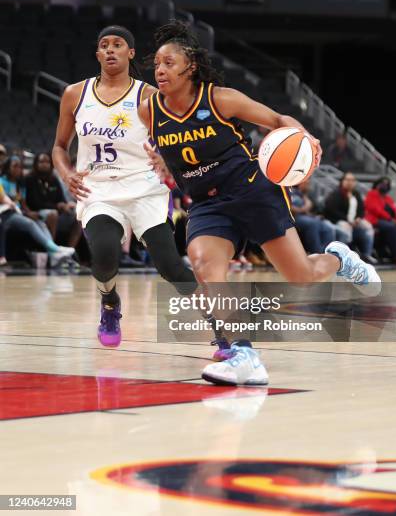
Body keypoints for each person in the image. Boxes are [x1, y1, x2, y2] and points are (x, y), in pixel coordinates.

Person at [140, 20, 381, 386]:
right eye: (157, 63)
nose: (160, 70)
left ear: (190, 67)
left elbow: (277, 119)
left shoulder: (220, 98)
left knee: (300, 276)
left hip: (252, 189)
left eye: (169, 63)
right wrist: (161, 160)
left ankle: (340, 258)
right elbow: (166, 147)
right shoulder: (149, 110)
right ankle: (243, 354)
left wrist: (303, 136)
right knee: (206, 267)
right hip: (206, 203)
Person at [52, 24, 197, 348]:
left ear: (130, 53)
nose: (110, 50)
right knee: (103, 255)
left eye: (118, 44)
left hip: (144, 187)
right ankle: (110, 304)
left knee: (172, 267)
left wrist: (166, 160)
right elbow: (60, 146)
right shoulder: (75, 93)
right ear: (97, 54)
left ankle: (221, 330)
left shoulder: (148, 95)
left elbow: (174, 138)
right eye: (104, 45)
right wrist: (66, 173)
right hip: (99, 189)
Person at [0, 156, 75, 266]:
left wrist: (29, 213)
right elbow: (4, 200)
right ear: (7, 168)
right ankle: (54, 249)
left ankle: (53, 254)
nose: (18, 169)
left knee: (40, 223)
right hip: (6, 214)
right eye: (15, 166)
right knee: (30, 223)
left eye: (20, 167)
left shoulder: (20, 184)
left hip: (19, 213)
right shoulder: (2, 182)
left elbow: (23, 204)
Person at [24, 152, 82, 250]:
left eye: (47, 162)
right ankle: (52, 250)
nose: (44, 164)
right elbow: (35, 203)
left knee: (79, 216)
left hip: (56, 212)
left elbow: (61, 198)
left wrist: (66, 205)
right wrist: (58, 206)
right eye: (41, 162)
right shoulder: (30, 179)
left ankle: (70, 251)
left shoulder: (53, 179)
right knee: (53, 214)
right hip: (37, 213)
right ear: (36, 164)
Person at [324, 172, 376, 264]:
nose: (349, 182)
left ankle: (367, 254)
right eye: (347, 180)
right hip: (339, 220)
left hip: (354, 221)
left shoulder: (356, 194)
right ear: (342, 181)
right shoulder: (336, 193)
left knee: (368, 227)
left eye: (352, 180)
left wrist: (358, 218)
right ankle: (343, 256)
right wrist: (347, 220)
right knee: (345, 228)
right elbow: (332, 210)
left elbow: (361, 209)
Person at [365, 177, 396, 264]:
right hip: (375, 220)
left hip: (389, 221)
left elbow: (394, 211)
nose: (385, 186)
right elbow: (376, 209)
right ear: (377, 185)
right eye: (383, 183)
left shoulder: (388, 198)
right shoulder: (371, 194)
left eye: (387, 184)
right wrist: (390, 219)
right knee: (391, 227)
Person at [290, 180, 335, 253]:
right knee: (313, 223)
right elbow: (289, 207)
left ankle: (327, 253)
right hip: (294, 217)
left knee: (328, 228)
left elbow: (309, 205)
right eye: (305, 183)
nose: (307, 185)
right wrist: (301, 210)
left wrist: (304, 195)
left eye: (308, 183)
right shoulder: (291, 191)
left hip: (306, 216)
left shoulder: (303, 193)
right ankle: (316, 252)